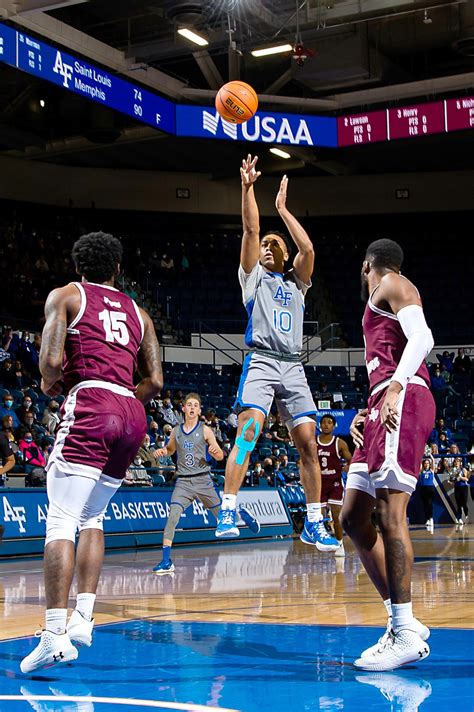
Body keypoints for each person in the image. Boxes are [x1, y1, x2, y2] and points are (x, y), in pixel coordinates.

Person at [20, 231, 163, 674]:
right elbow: (155, 382)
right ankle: (84, 616)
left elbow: (48, 362)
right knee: (93, 517)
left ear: (79, 267)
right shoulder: (140, 314)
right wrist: (122, 404)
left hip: (93, 401)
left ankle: (53, 632)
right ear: (117, 269)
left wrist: (54, 384)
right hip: (131, 412)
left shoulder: (66, 295)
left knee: (61, 519)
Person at [214, 154, 338, 551]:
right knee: (248, 433)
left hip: (294, 367)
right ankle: (228, 508)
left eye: (274, 245)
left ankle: (314, 522)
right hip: (263, 361)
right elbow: (251, 229)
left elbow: (309, 248)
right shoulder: (253, 279)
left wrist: (283, 211)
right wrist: (248, 188)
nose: (267, 247)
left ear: (284, 256)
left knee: (308, 444)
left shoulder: (297, 283)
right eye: (265, 245)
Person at [340, 238, 435, 671]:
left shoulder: (393, 284)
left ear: (367, 266)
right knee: (352, 517)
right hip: (381, 402)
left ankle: (403, 628)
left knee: (391, 515)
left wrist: (394, 389)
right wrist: (370, 406)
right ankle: (404, 624)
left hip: (404, 397)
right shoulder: (381, 300)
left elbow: (423, 337)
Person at [152, 393, 228, 574]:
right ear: (184, 409)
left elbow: (220, 456)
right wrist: (163, 451)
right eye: (189, 405)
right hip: (184, 482)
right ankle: (166, 561)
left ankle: (242, 515)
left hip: (203, 480)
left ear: (199, 410)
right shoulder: (176, 430)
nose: (192, 407)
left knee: (224, 518)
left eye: (196, 405)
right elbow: (171, 450)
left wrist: (216, 452)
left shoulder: (206, 430)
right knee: (173, 517)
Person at [317, 414, 352, 556]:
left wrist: (347, 466)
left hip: (335, 483)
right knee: (318, 517)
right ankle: (321, 541)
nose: (326, 425)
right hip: (319, 483)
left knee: (337, 516)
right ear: (320, 425)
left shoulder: (340, 443)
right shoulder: (314, 442)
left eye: (329, 422)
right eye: (323, 422)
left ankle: (339, 543)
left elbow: (351, 459)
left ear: (334, 426)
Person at [448, 456, 469, 525]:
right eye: (455, 462)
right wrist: (451, 482)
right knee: (458, 504)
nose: (456, 463)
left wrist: (460, 477)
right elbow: (452, 480)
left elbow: (466, 479)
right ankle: (459, 518)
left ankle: (466, 516)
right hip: (457, 488)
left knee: (464, 503)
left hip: (464, 487)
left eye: (458, 462)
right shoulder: (452, 470)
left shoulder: (463, 469)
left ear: (460, 463)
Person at [417, 458, 436, 529]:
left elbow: (433, 462)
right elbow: (419, 465)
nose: (426, 464)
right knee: (425, 504)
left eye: (428, 463)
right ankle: (427, 519)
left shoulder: (431, 470)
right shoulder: (421, 471)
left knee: (429, 503)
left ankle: (431, 518)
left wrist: (430, 456)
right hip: (423, 488)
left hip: (430, 488)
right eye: (425, 463)